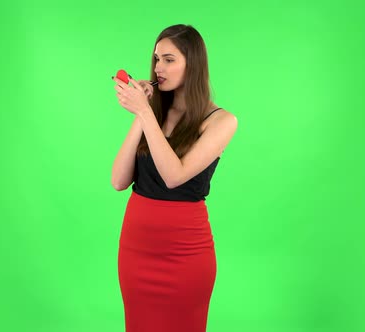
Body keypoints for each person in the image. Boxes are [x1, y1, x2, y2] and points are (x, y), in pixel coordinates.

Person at [111, 24, 238, 332]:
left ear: (192, 64)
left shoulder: (221, 121)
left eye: (169, 59)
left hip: (186, 252)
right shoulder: (153, 113)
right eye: (156, 59)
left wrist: (144, 112)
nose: (158, 67)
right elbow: (118, 180)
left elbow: (174, 176)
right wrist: (145, 112)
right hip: (137, 248)